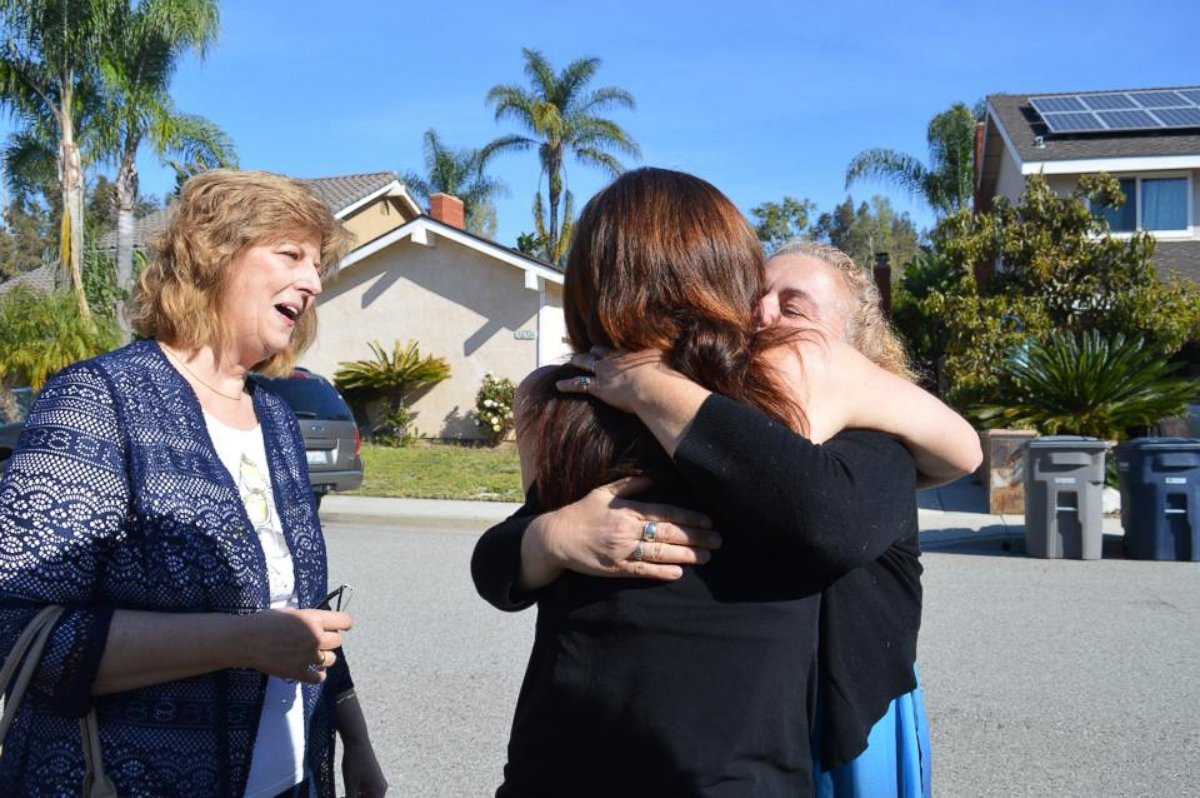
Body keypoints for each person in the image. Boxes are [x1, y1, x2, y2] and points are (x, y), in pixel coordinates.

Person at [471, 168, 980, 796]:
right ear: (721, 266)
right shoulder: (558, 396)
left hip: (700, 767)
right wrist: (552, 537)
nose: (767, 311)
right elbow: (503, 563)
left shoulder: (797, 366)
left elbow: (935, 464)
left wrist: (652, 387)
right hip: (594, 764)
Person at [0, 170, 387, 798]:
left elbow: (304, 609)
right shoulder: (100, 400)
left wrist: (355, 741)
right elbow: (15, 628)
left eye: (318, 266)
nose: (314, 282)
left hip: (289, 778)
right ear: (212, 255)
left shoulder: (278, 420)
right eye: (290, 254)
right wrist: (243, 642)